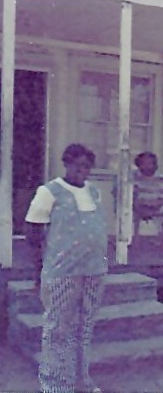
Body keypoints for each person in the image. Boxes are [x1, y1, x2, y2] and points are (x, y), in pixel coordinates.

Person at [25, 143, 107, 393]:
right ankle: (56, 386)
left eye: (87, 167)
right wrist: (38, 271)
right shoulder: (49, 191)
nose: (83, 170)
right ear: (67, 164)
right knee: (59, 329)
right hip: (62, 272)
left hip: (94, 271)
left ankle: (82, 381)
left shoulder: (94, 192)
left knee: (85, 326)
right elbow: (33, 232)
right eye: (78, 165)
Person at [131, 152, 163, 249]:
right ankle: (130, 243)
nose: (147, 166)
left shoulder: (162, 177)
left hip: (157, 205)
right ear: (138, 165)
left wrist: (157, 203)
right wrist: (142, 205)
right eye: (144, 163)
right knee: (126, 213)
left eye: (150, 163)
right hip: (139, 206)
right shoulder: (133, 177)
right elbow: (131, 196)